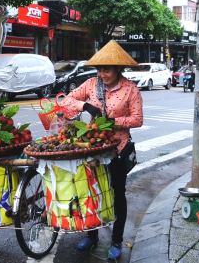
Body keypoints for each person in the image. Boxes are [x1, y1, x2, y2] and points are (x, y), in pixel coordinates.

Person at [59, 40, 143, 259]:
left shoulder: (130, 89)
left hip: (117, 150)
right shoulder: (90, 85)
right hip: (93, 148)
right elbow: (65, 101)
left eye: (107, 70)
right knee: (90, 193)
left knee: (117, 194)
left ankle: (116, 241)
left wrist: (112, 121)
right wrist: (84, 106)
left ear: (118, 69)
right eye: (99, 69)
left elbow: (137, 119)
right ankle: (92, 235)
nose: (102, 74)